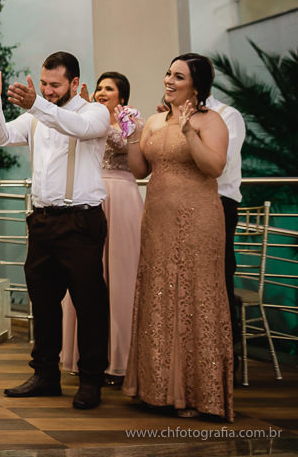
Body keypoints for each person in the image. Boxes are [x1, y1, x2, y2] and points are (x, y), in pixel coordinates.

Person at [0, 51, 110, 410]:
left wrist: (37, 105)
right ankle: (46, 375)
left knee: (89, 304)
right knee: (44, 303)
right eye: (44, 83)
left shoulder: (95, 113)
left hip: (81, 222)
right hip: (43, 221)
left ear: (75, 84)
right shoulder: (35, 117)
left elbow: (74, 127)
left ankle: (91, 380)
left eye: (55, 85)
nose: (47, 90)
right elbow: (0, 138)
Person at [123, 53, 233, 420]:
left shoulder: (211, 120)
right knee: (159, 293)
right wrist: (129, 135)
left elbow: (213, 166)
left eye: (178, 76)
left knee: (192, 296)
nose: (169, 80)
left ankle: (196, 395)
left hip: (198, 219)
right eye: (168, 73)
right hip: (156, 218)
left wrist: (188, 131)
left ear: (196, 86)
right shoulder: (154, 121)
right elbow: (140, 170)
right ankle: (155, 390)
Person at [60, 71, 143, 386]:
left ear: (122, 95)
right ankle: (86, 355)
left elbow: (128, 145)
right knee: (87, 275)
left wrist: (104, 123)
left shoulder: (130, 119)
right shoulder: (86, 117)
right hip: (88, 195)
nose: (101, 92)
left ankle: (120, 359)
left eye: (109, 88)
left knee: (121, 275)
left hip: (121, 197)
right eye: (98, 87)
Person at [206, 93, 246, 358]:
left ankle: (226, 359)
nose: (170, 82)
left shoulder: (228, 115)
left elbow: (222, 163)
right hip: (186, 205)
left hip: (219, 203)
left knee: (219, 278)